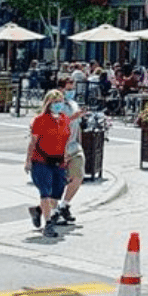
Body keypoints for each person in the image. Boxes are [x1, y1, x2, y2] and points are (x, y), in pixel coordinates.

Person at [25, 89, 72, 238]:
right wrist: (28, 161)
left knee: (56, 194)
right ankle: (48, 223)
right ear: (48, 103)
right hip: (41, 160)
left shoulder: (64, 119)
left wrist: (65, 159)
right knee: (45, 192)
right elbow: (33, 142)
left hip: (58, 161)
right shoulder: (40, 120)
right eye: (55, 102)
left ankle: (38, 210)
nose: (58, 105)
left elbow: (65, 140)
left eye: (60, 102)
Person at [55, 74, 86, 224]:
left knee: (78, 175)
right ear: (61, 89)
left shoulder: (73, 103)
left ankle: (64, 205)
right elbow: (56, 125)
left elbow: (77, 125)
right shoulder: (55, 105)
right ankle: (47, 211)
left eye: (72, 88)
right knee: (57, 182)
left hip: (74, 146)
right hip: (59, 147)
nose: (71, 91)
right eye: (68, 89)